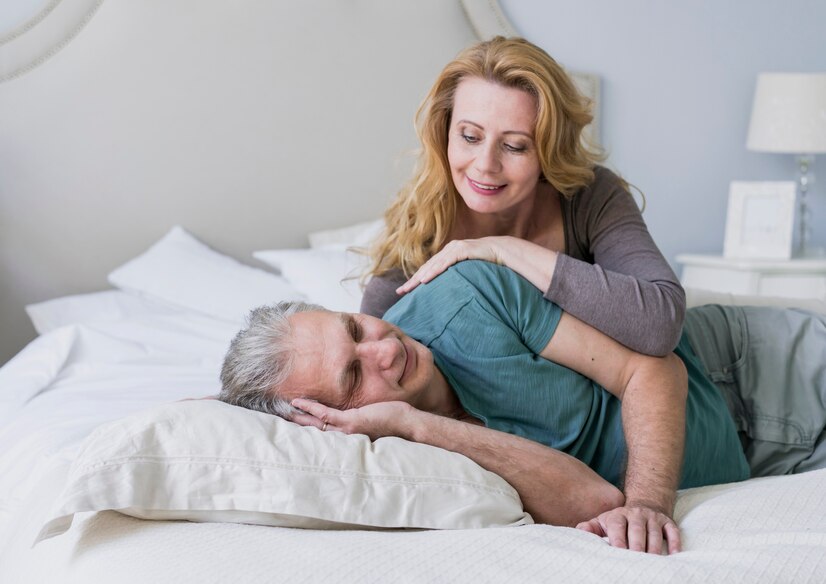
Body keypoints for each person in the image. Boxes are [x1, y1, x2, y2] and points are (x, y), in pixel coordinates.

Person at [219, 261, 826, 555]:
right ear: (321, 420)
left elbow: (652, 366)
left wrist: (646, 505)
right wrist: (415, 424)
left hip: (751, 372)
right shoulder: (405, 455)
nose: (383, 348)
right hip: (748, 461)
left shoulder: (466, 297)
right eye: (353, 373)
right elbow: (593, 503)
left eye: (355, 326)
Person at [361, 36, 685, 357]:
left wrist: (504, 249)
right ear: (445, 130)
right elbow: (364, 351)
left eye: (515, 145)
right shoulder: (424, 221)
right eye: (470, 136)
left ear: (548, 151)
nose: (486, 165)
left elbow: (661, 324)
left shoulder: (591, 196)